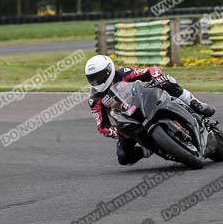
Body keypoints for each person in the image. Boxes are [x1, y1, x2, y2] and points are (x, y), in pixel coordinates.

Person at [84, 54, 216, 165]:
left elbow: (149, 71)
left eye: (99, 76)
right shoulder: (94, 99)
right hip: (128, 120)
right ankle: (148, 149)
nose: (96, 81)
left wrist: (157, 76)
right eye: (92, 79)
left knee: (167, 81)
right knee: (123, 157)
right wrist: (116, 132)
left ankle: (195, 103)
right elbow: (102, 125)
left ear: (109, 70)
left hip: (144, 102)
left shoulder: (123, 73)